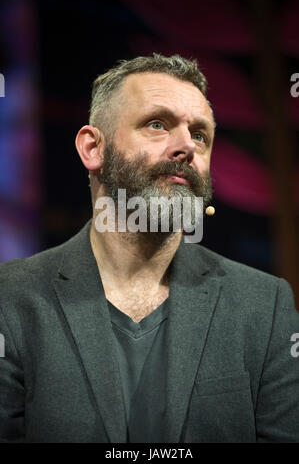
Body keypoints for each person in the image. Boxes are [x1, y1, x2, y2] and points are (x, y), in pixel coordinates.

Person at [0, 54, 298, 443]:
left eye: (200, 135)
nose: (186, 147)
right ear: (93, 148)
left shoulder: (264, 304)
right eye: (157, 125)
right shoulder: (13, 297)